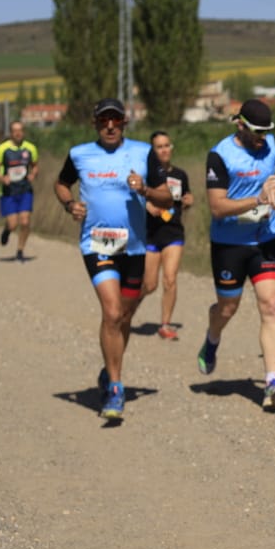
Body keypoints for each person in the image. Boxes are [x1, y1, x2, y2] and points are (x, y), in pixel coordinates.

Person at [52, 97, 173, 420]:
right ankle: (116, 388)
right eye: (104, 120)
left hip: (134, 248)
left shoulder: (143, 153)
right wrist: (69, 205)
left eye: (115, 120)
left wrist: (145, 189)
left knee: (125, 317)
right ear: (95, 124)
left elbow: (167, 197)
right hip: (98, 245)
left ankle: (109, 370)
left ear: (124, 123)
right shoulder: (79, 154)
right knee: (112, 311)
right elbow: (61, 184)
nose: (109, 126)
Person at [198, 99, 275, 410]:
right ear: (240, 125)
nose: (263, 137)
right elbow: (217, 207)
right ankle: (212, 338)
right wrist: (258, 199)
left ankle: (272, 381)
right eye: (257, 131)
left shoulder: (273, 144)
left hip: (265, 240)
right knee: (227, 308)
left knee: (271, 305)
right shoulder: (220, 155)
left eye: (267, 131)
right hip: (229, 244)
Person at [140, 129, 193, 340]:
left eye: (166, 146)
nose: (164, 150)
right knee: (149, 284)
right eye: (159, 147)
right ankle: (128, 307)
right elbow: (134, 198)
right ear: (152, 151)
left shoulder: (180, 175)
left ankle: (165, 324)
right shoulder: (146, 175)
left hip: (173, 233)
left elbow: (184, 199)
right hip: (151, 234)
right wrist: (147, 205)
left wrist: (189, 201)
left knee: (170, 279)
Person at [0, 121, 39, 260]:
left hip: (25, 190)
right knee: (13, 224)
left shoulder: (30, 148)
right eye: (15, 131)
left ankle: (20, 250)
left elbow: (35, 166)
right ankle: (7, 231)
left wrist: (33, 174)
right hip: (8, 191)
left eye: (20, 130)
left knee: (25, 222)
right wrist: (1, 178)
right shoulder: (2, 149)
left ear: (23, 132)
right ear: (11, 133)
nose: (18, 133)